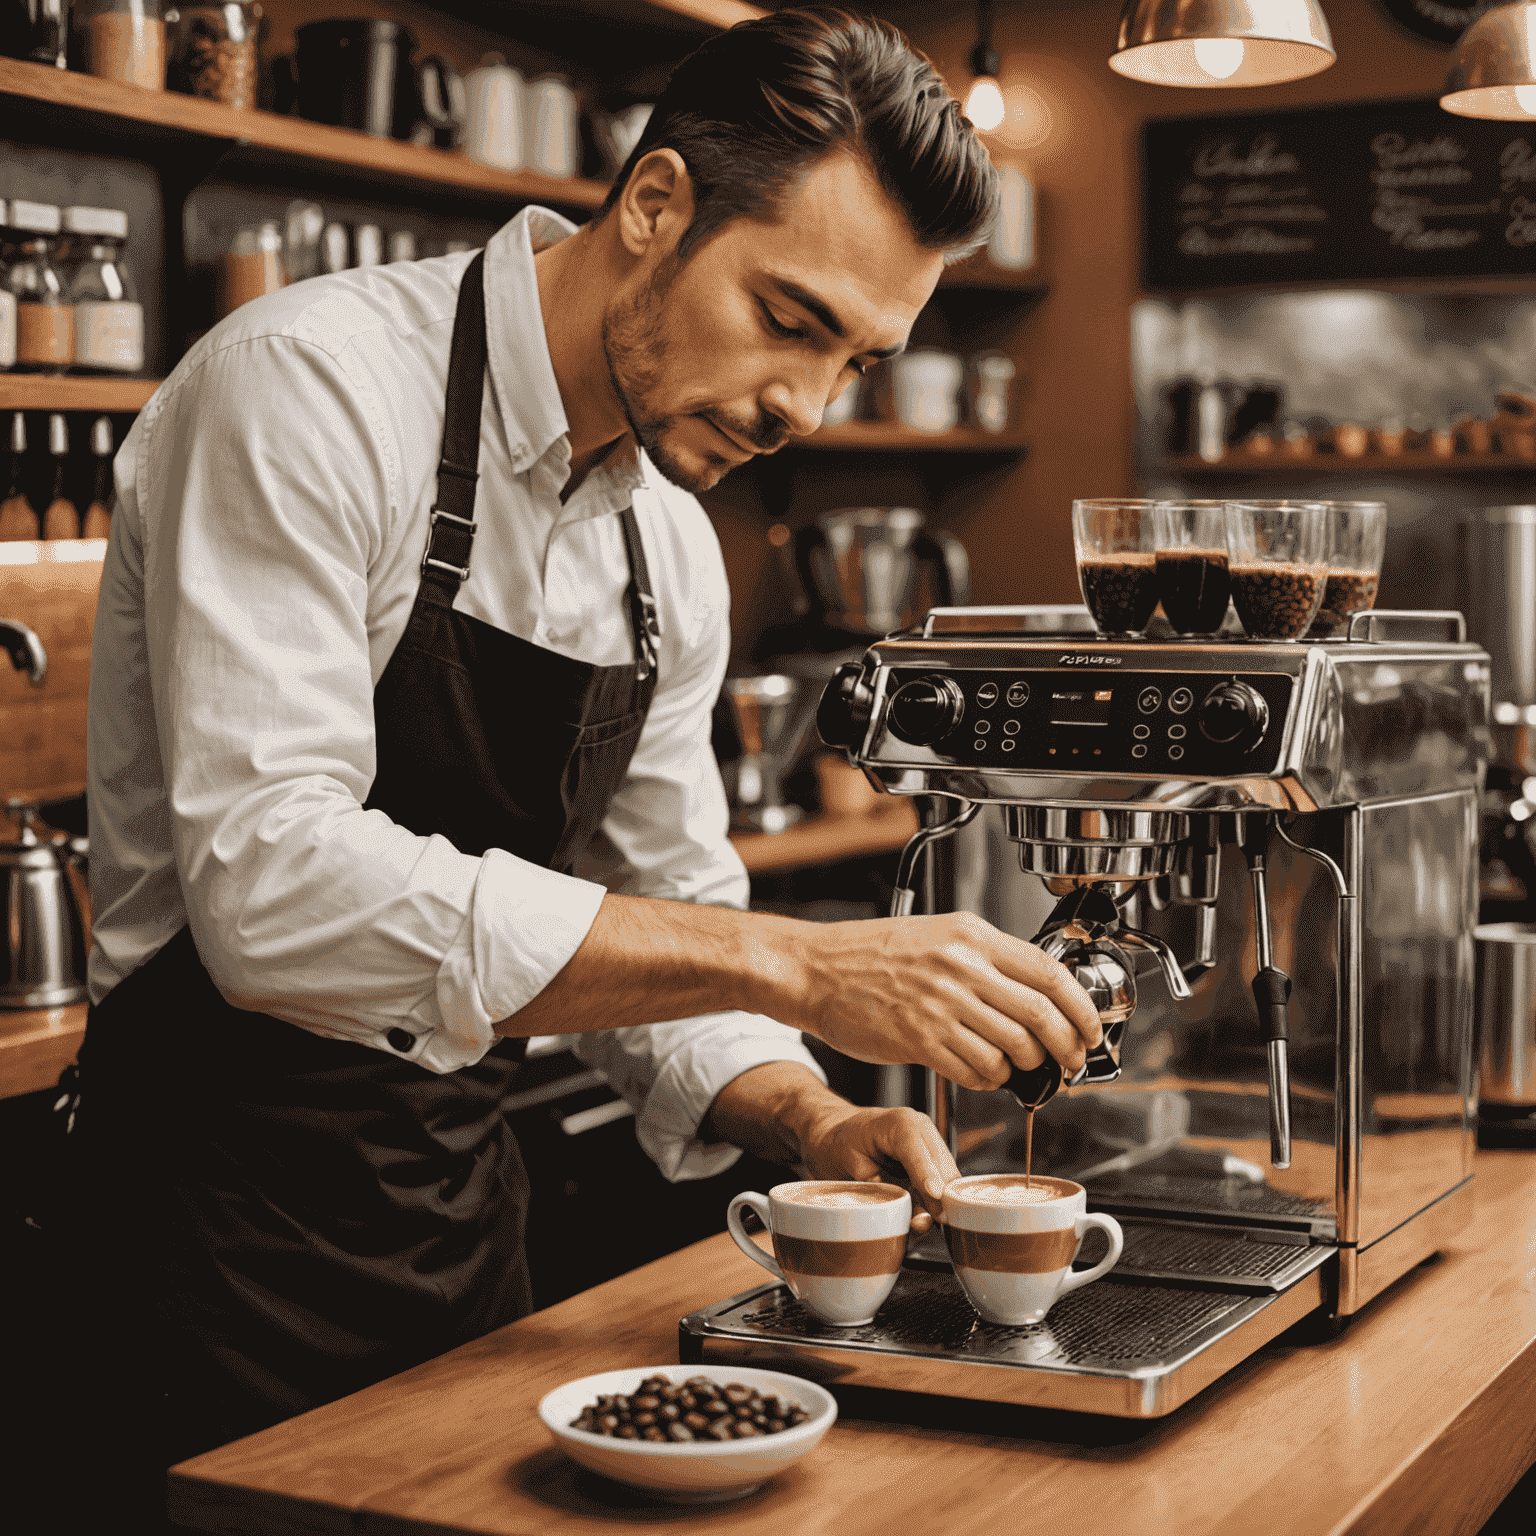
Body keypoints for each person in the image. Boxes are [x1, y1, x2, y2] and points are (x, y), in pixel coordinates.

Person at [52, 6, 1099, 1525]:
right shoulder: (308, 391)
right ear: (658, 204)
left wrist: (806, 1117)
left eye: (858, 361)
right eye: (790, 320)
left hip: (461, 1233)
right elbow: (269, 887)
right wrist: (799, 966)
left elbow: (655, 903)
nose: (805, 408)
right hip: (203, 1243)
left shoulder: (668, 540)